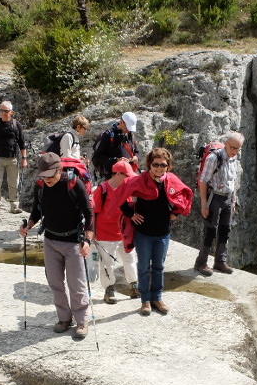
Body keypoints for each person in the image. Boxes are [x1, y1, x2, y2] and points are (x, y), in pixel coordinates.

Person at [19, 153, 94, 340]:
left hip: (73, 242)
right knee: (55, 283)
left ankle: (82, 320)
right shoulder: (41, 186)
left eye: (51, 175)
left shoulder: (74, 184)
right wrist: (28, 225)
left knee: (76, 284)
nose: (47, 179)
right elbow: (37, 209)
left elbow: (89, 214)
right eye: (43, 176)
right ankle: (64, 318)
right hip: (50, 241)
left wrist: (87, 241)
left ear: (60, 170)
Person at [117, 148, 192, 316]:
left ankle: (157, 298)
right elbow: (120, 197)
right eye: (155, 164)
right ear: (149, 165)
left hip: (163, 233)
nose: (159, 168)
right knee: (143, 267)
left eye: (163, 165)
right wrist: (131, 214)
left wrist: (176, 213)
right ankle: (145, 300)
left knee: (158, 267)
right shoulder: (139, 180)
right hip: (143, 233)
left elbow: (185, 195)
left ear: (168, 166)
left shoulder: (171, 180)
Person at [195, 132, 244, 276]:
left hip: (228, 198)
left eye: (238, 149)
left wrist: (233, 201)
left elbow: (233, 180)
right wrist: (204, 204)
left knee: (225, 230)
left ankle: (220, 261)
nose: (235, 151)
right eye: (233, 148)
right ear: (226, 144)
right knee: (210, 230)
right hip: (214, 197)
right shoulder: (213, 158)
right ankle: (201, 263)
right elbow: (203, 181)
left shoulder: (234, 158)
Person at [93, 159, 139, 304]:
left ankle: (134, 285)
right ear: (118, 174)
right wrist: (92, 232)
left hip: (124, 233)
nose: (129, 178)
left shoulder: (127, 189)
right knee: (107, 263)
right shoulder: (102, 189)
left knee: (130, 259)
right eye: (127, 175)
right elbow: (93, 212)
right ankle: (109, 289)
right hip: (105, 233)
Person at [0, 100, 28, 215]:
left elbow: (22, 143)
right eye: (1, 110)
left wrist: (24, 158)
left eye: (5, 111)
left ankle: (14, 206)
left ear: (11, 112)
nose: (3, 113)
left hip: (13, 158)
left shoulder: (16, 124)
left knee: (14, 183)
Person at [91, 112, 139, 180]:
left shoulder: (130, 135)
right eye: (127, 127)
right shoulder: (108, 135)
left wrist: (136, 157)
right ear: (121, 122)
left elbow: (136, 151)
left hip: (128, 173)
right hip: (113, 176)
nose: (128, 130)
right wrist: (116, 160)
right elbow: (98, 156)